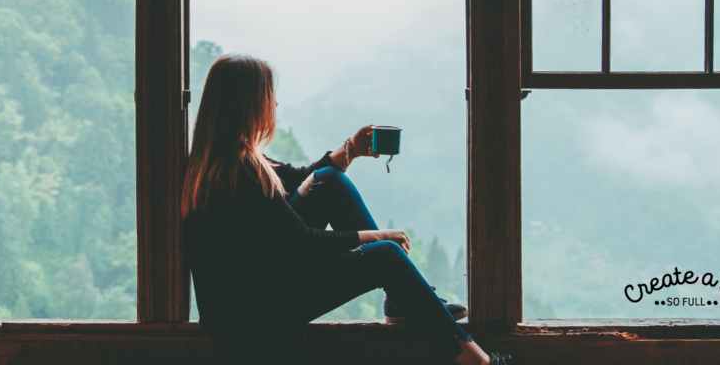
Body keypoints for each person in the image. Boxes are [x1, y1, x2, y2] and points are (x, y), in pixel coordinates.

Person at [183, 54, 510, 365]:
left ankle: (402, 301)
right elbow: (302, 242)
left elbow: (300, 179)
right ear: (249, 103)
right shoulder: (241, 171)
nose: (275, 104)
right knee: (386, 254)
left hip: (252, 292)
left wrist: (350, 151)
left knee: (328, 181)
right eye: (270, 95)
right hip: (257, 312)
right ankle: (475, 359)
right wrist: (376, 236)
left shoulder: (223, 159)